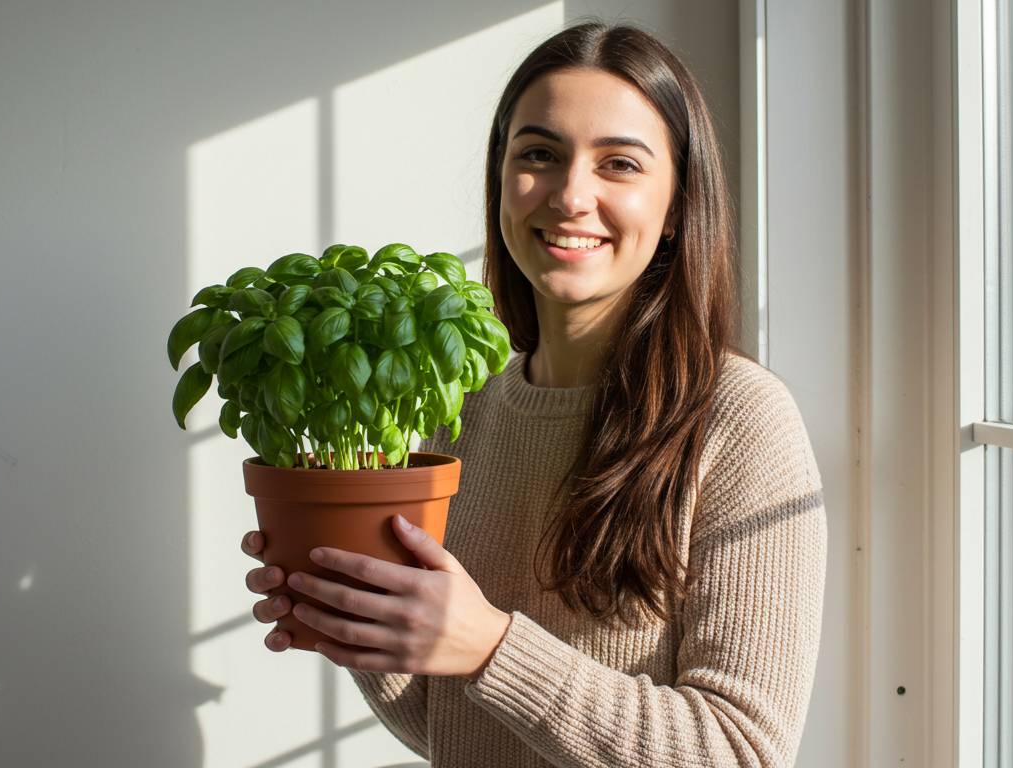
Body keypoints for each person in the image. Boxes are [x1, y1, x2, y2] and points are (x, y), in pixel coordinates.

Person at [241, 20, 826, 768]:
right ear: (501, 182)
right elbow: (458, 729)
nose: (571, 195)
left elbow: (741, 751)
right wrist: (364, 619)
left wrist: (490, 645)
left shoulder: (741, 421)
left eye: (619, 164)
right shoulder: (461, 406)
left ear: (678, 205)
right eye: (540, 155)